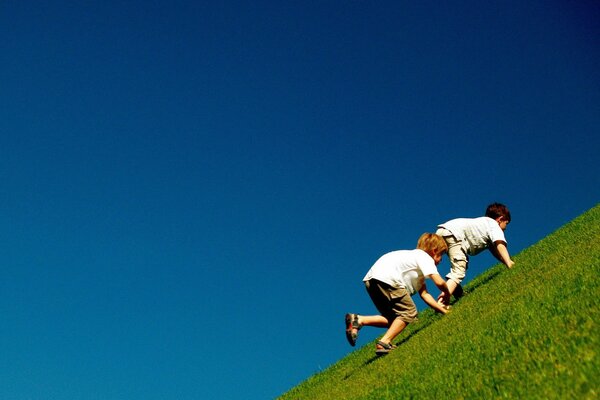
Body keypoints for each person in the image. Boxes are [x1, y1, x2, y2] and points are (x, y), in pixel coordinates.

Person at [345, 233, 451, 356]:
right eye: (441, 255)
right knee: (409, 312)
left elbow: (425, 294)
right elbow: (439, 282)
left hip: (372, 280)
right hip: (389, 279)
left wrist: (443, 311)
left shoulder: (412, 262)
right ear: (434, 251)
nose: (441, 260)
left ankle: (359, 320)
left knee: (395, 319)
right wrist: (447, 294)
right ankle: (384, 342)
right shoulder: (424, 257)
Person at [435, 202, 515, 305]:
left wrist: (505, 261)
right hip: (454, 234)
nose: (505, 228)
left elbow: (495, 251)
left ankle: (457, 290)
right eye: (506, 224)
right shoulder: (494, 225)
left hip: (443, 231)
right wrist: (509, 263)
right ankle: (442, 303)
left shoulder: (484, 224)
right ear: (500, 219)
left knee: (462, 262)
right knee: (459, 270)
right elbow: (500, 244)